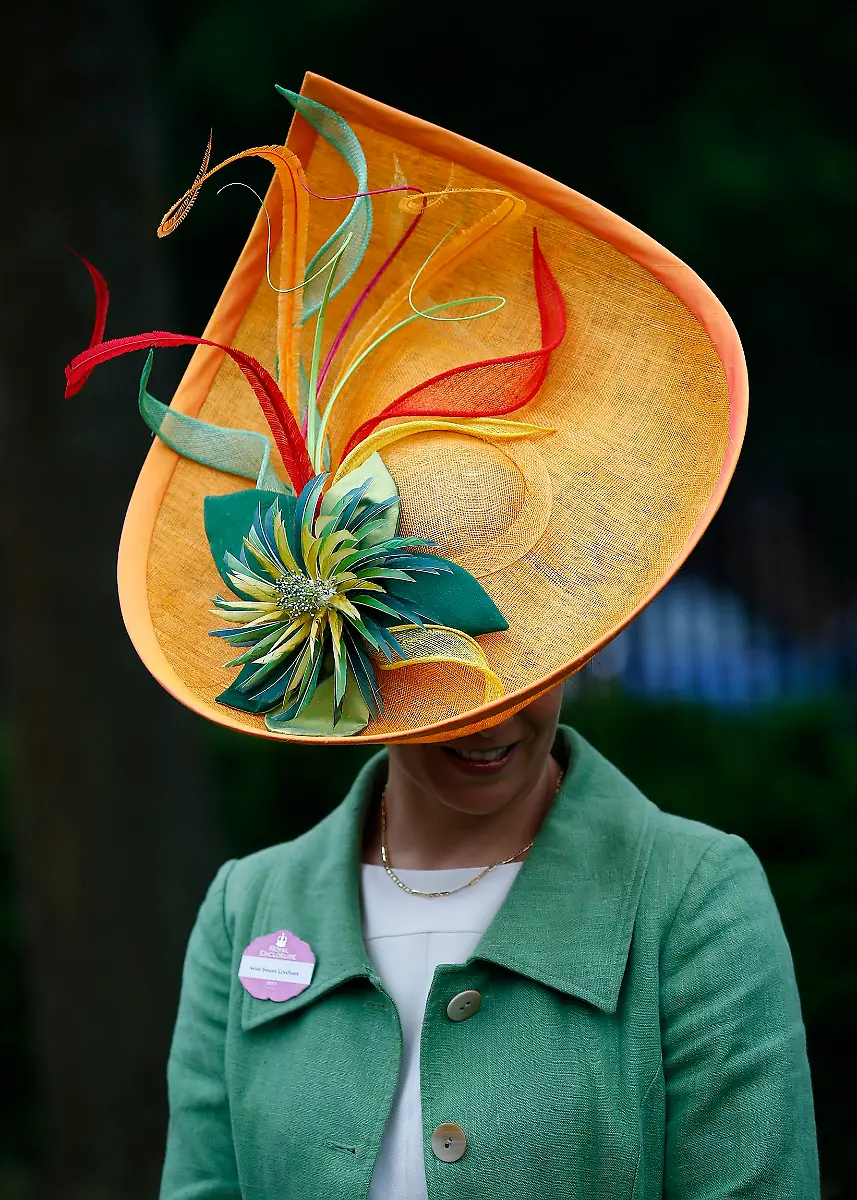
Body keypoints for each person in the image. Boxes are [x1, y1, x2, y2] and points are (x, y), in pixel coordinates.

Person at [66, 74, 818, 1197]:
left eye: (526, 657)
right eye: (437, 660)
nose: (500, 708)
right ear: (352, 655)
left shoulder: (690, 898)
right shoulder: (249, 912)